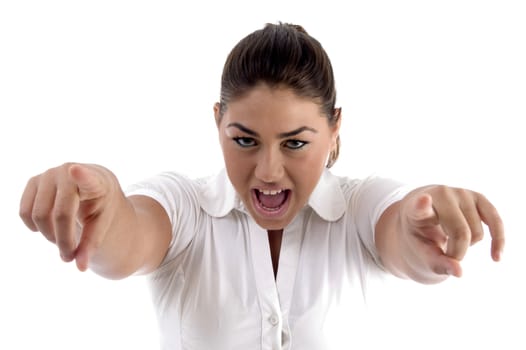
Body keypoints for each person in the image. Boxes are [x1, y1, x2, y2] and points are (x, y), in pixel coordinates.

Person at [19, 22, 505, 350]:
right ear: (218, 123)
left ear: (334, 128)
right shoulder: (186, 208)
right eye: (245, 140)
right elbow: (129, 236)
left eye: (295, 143)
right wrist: (102, 210)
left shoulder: (360, 208)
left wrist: (425, 233)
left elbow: (401, 231)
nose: (268, 171)